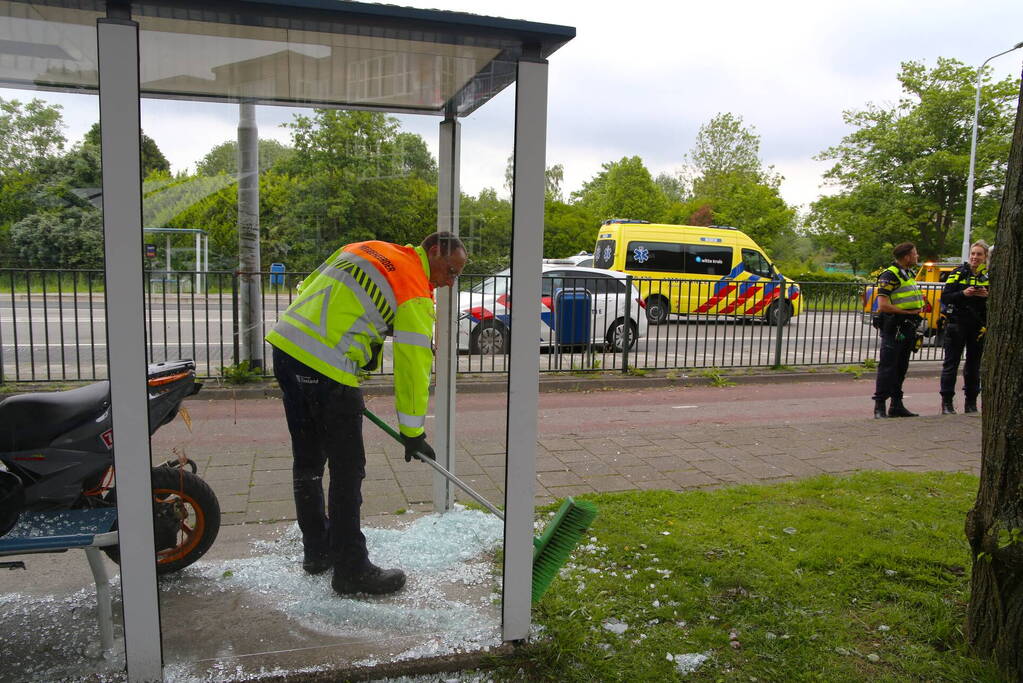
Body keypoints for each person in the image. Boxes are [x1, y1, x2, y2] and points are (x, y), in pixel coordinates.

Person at [266, 232, 467, 596]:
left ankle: (317, 551)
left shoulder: (362, 249)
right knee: (348, 470)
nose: (449, 282)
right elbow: (414, 365)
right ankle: (351, 570)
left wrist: (362, 335)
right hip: (327, 367)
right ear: (434, 250)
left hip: (285, 348)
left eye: (456, 277)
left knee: (308, 461)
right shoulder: (414, 289)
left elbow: (309, 286)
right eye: (450, 271)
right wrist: (412, 432)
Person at [872, 242, 924, 419]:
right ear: (907, 256)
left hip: (908, 326)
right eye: (915, 254)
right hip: (895, 327)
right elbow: (883, 305)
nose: (917, 256)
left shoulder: (907, 273)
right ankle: (880, 406)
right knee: (887, 367)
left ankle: (896, 405)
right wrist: (907, 312)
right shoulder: (889, 275)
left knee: (901, 366)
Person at [938, 240, 989, 414]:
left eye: (979, 254)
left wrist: (986, 295)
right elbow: (945, 296)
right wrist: (963, 293)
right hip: (957, 323)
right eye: (973, 254)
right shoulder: (958, 273)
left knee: (974, 365)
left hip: (977, 326)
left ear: (985, 257)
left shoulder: (988, 276)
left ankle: (971, 403)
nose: (975, 257)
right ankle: (947, 404)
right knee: (951, 364)